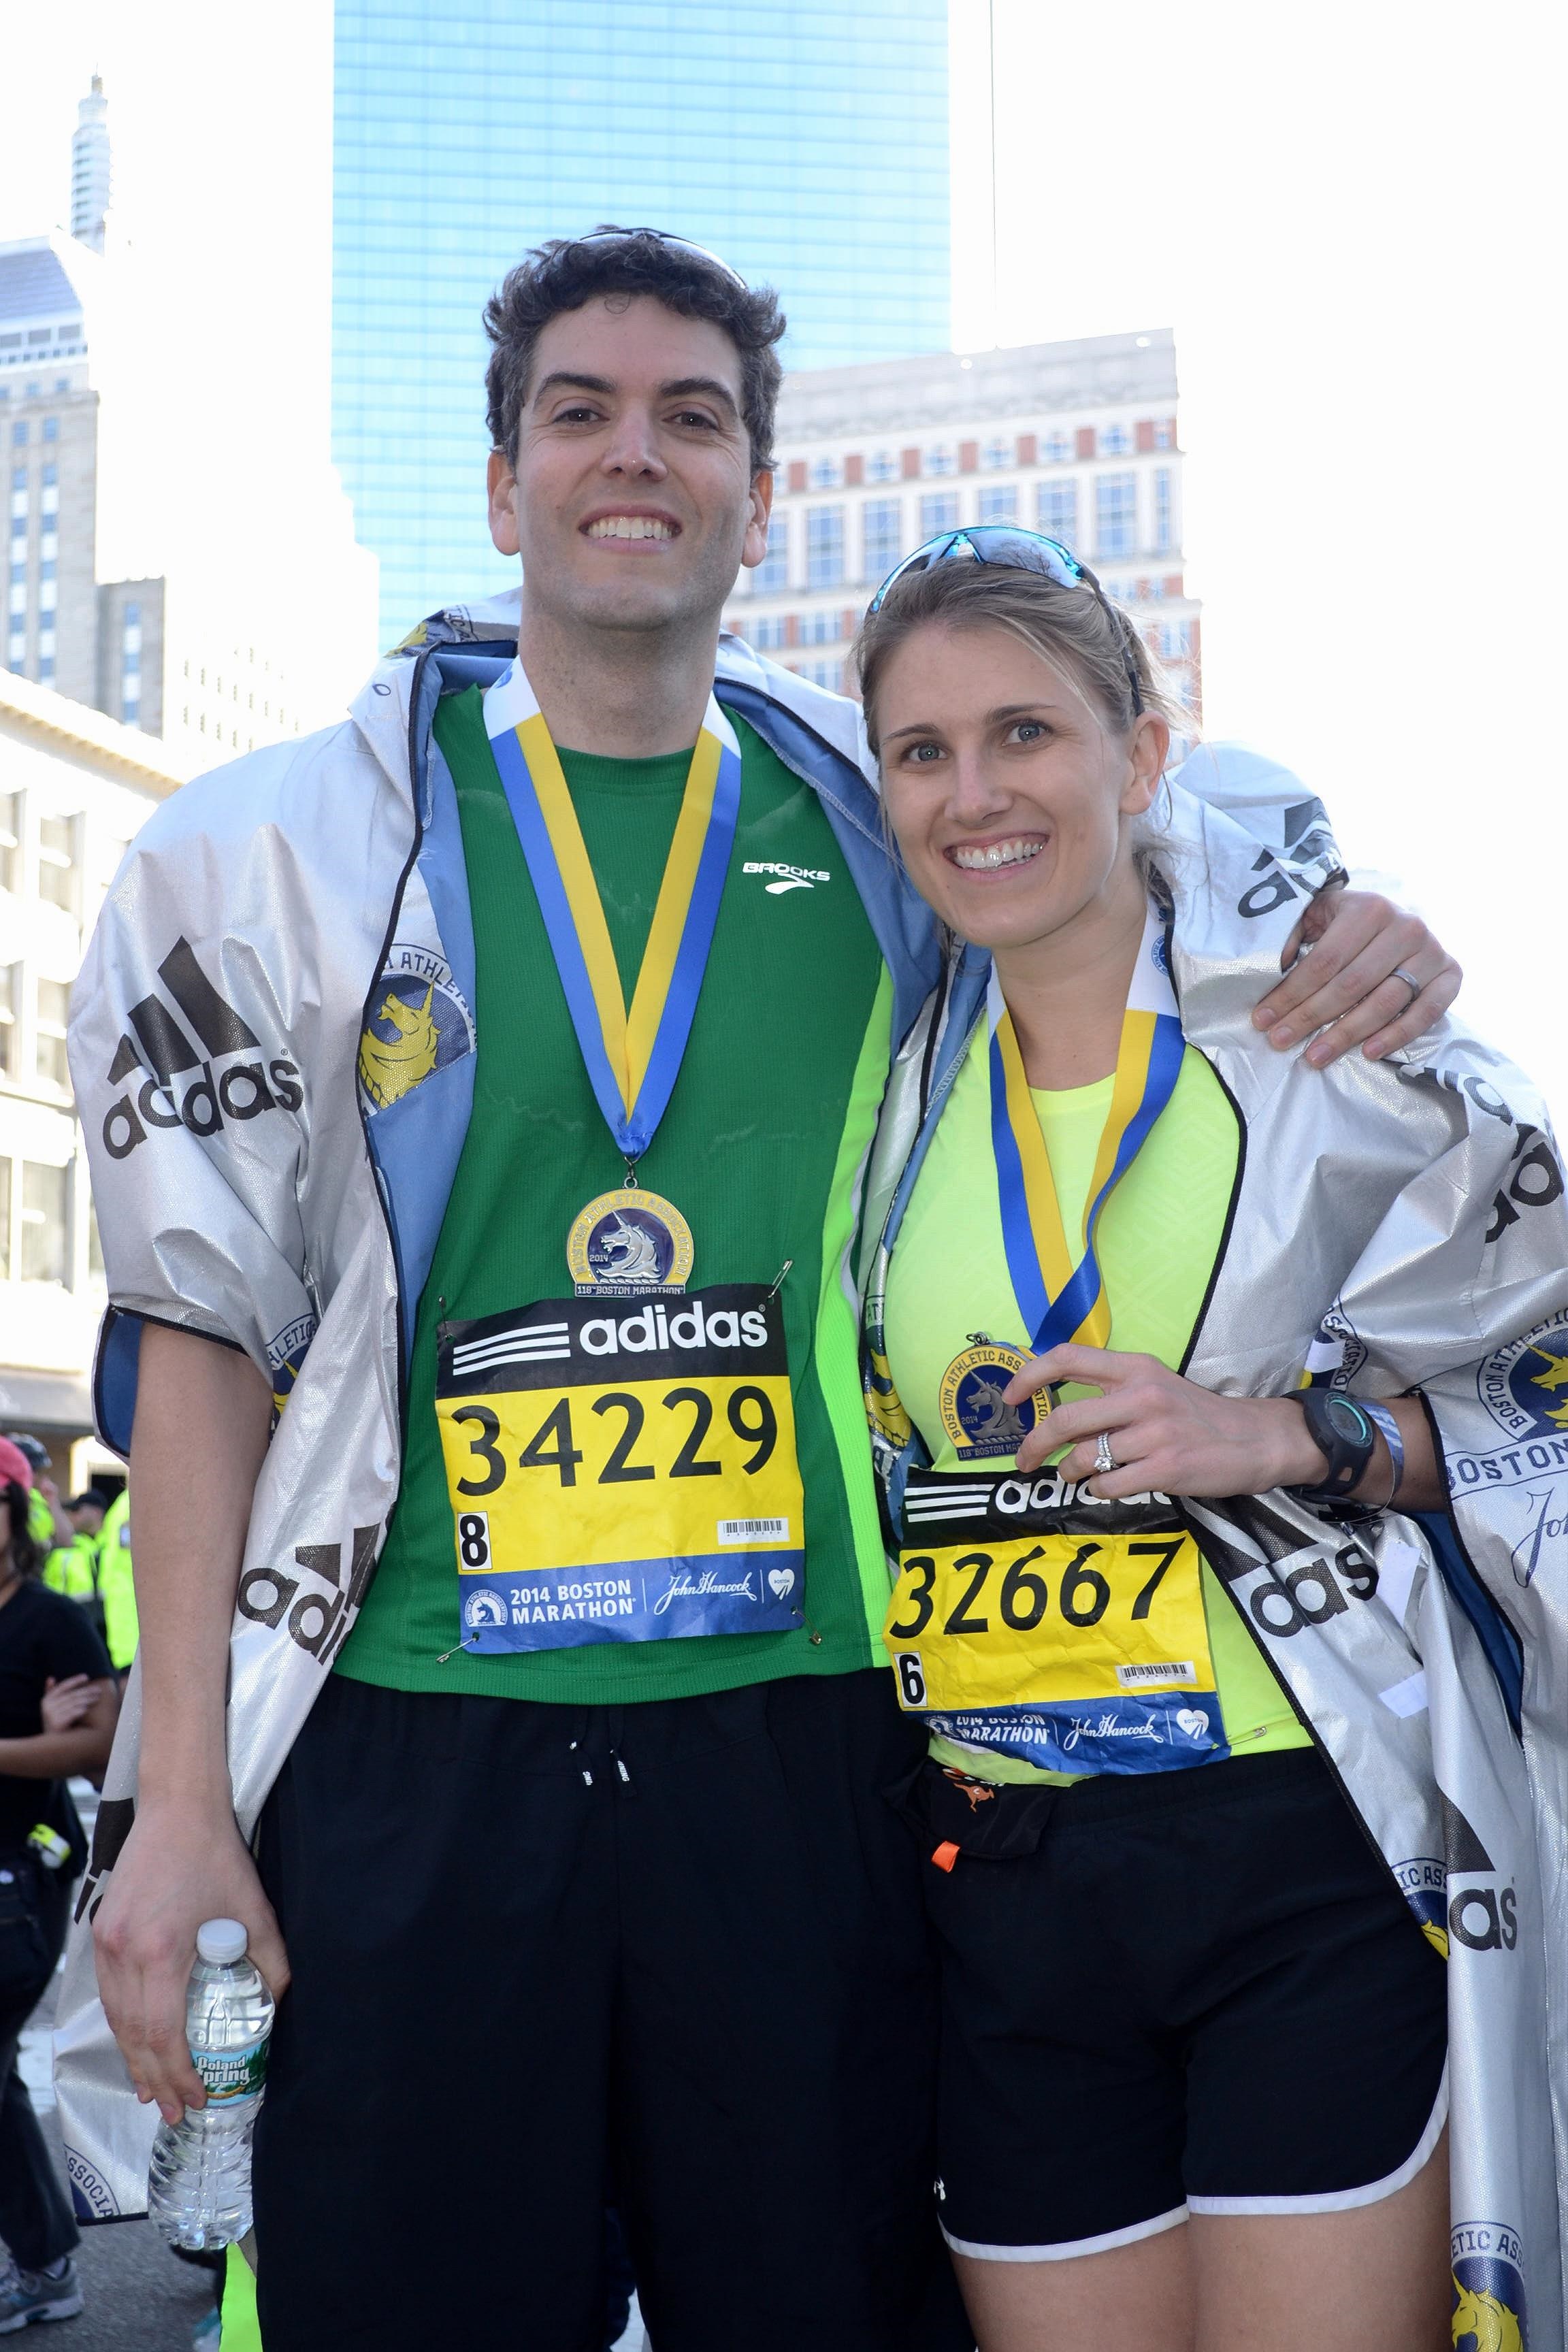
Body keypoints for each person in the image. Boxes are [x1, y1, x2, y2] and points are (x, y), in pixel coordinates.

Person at [59, 231, 1460, 2351]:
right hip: (420, 1744)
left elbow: (1121, 821)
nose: (637, 455)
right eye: (582, 414)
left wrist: (1354, 915)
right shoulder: (286, 851)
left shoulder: (867, 811)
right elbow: (202, 1332)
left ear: (761, 493)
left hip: (803, 1753)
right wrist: (176, 1807)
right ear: (502, 480)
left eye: (692, 418)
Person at [852, 528, 1567, 2350]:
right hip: (1003, 1874)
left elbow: (1542, 1394)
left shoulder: (1338, 1047)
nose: (973, 794)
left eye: (1025, 733)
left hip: (1298, 1845)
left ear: (1145, 755)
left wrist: (1289, 1433)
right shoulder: (883, 1085)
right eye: (923, 752)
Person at [0, 1436, 118, 2333]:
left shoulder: (49, 1621)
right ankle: (44, 2263)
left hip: (21, 1884)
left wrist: (25, 1748)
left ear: (16, 1515)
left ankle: (44, 2266)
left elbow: (103, 1748)